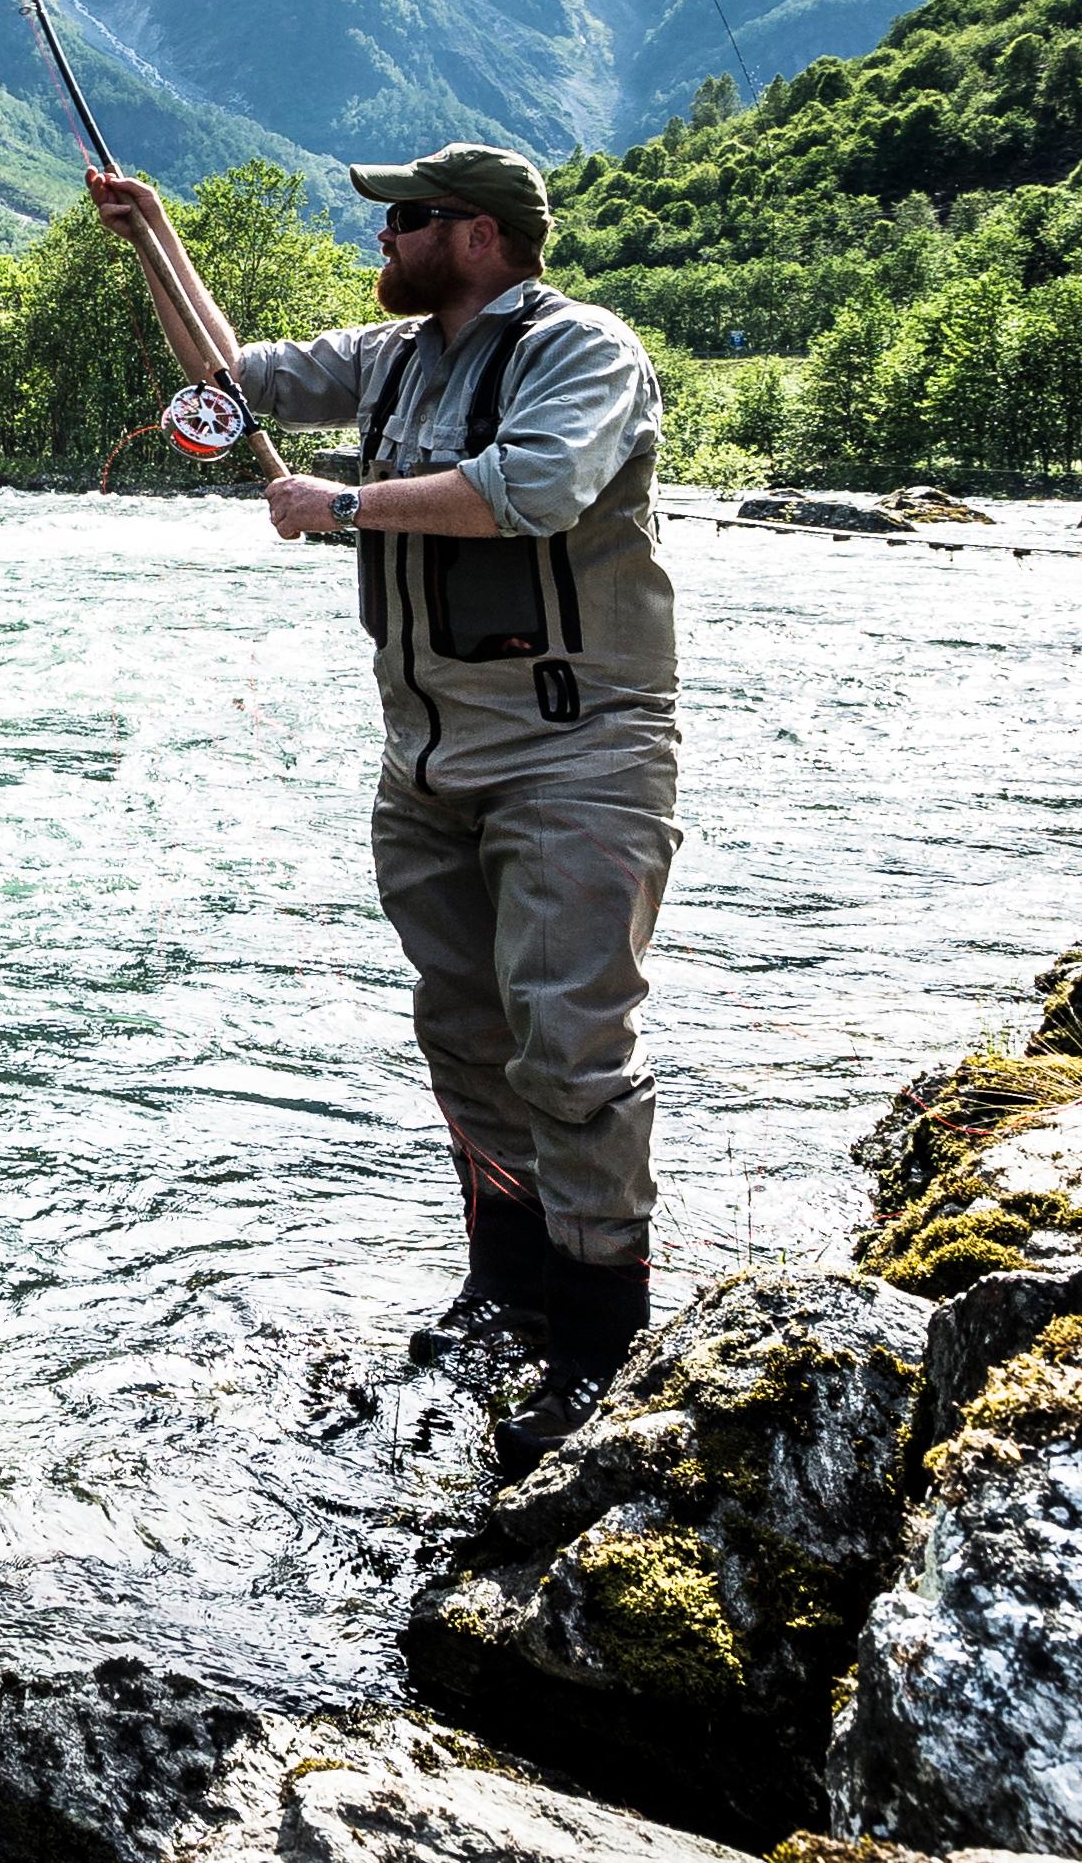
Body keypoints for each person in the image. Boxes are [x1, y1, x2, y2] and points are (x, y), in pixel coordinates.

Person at [88, 143, 678, 1472]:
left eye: (403, 220)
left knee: (570, 1041)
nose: (383, 239)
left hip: (579, 756)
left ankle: (601, 1333)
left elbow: (532, 487)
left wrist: (342, 502)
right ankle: (507, 1284)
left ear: (475, 237)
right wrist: (153, 240)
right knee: (466, 1032)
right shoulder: (393, 357)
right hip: (428, 766)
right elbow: (230, 383)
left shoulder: (584, 351)